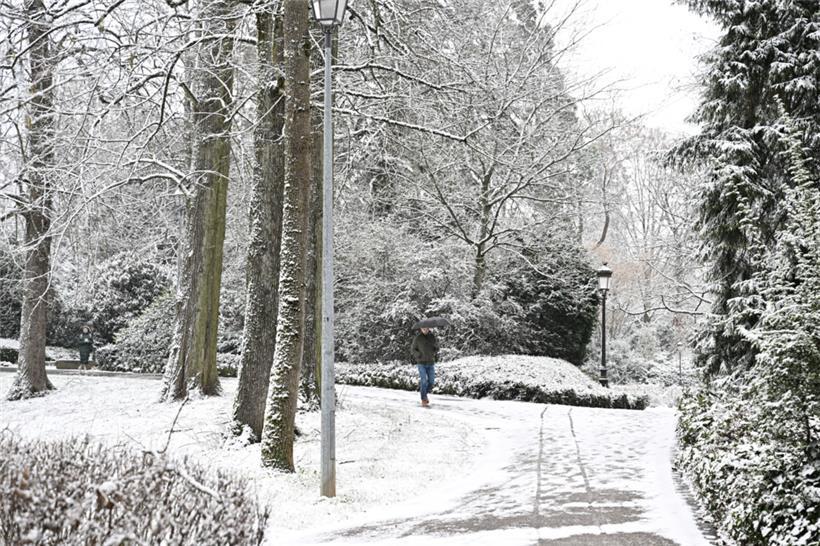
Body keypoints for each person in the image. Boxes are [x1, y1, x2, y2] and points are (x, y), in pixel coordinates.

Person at [410, 327, 439, 407]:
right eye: (423, 329)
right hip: (421, 363)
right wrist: (418, 355)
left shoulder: (432, 337)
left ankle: (424, 394)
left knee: (431, 381)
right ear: (421, 329)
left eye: (426, 328)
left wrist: (436, 348)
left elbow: (436, 348)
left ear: (428, 329)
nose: (425, 330)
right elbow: (413, 349)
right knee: (423, 381)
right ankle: (424, 399)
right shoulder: (418, 338)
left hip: (430, 362)